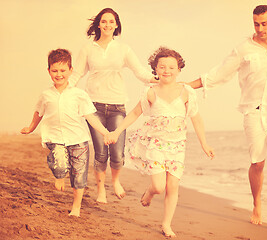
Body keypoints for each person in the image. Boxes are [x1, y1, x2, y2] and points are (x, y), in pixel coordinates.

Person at [188, 5, 267, 225]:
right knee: (257, 163)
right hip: (253, 112)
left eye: (264, 24)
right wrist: (187, 86)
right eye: (256, 24)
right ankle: (257, 205)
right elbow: (219, 73)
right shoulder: (243, 49)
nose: (260, 28)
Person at [105, 47, 215, 238]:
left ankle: (166, 224)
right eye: (162, 67)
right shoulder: (150, 91)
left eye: (171, 67)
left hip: (177, 146)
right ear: (155, 69)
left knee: (172, 186)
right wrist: (116, 131)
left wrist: (204, 144)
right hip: (155, 144)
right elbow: (134, 114)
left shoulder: (186, 92)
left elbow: (196, 119)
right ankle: (150, 191)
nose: (167, 70)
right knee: (159, 186)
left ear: (179, 69)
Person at [68, 8, 158, 203]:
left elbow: (141, 73)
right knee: (101, 152)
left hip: (117, 106)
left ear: (116, 25)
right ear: (98, 24)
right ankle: (101, 188)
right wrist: (64, 90)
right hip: (94, 106)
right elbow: (77, 74)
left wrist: (158, 80)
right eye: (104, 21)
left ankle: (115, 180)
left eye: (111, 21)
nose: (107, 25)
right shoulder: (88, 48)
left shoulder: (123, 49)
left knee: (117, 153)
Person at [21, 49, 109, 217]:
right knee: (59, 163)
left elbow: (90, 117)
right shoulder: (46, 95)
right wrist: (30, 128)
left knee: (79, 174)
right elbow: (38, 113)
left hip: (78, 140)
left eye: (63, 70)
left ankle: (76, 207)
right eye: (54, 70)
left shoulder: (79, 95)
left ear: (70, 70)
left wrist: (105, 132)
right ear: (48, 71)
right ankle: (59, 175)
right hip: (55, 139)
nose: (59, 74)